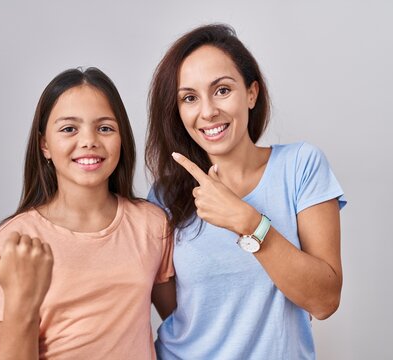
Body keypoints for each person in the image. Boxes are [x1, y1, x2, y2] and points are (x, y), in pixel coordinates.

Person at [145, 24, 346, 359]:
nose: (208, 111)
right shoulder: (165, 197)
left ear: (251, 93)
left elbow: (324, 301)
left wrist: (247, 221)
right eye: (189, 98)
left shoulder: (300, 166)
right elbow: (182, 314)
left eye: (222, 90)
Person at [0, 67, 176, 359]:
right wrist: (21, 304)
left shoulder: (151, 224)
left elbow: (186, 326)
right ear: (44, 145)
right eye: (69, 129)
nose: (89, 140)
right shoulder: (18, 240)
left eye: (105, 128)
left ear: (122, 138)